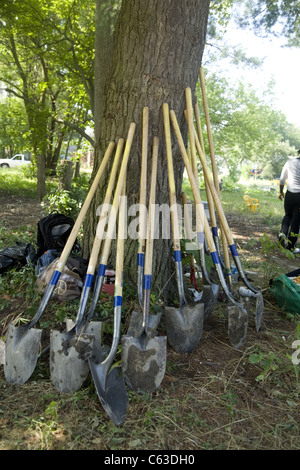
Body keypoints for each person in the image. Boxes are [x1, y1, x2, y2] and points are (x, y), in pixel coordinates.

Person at [278, 149, 300, 253]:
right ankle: (291, 248)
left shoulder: (290, 162)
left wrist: (281, 192)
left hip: (290, 194)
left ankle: (282, 233)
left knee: (287, 215)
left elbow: (282, 179)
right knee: (296, 221)